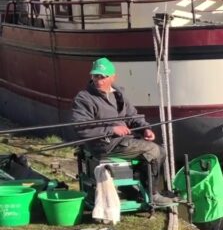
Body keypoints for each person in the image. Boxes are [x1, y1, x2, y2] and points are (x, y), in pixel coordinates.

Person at [70, 57, 174, 206]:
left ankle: (136, 187)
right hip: (104, 144)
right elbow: (81, 128)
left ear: (113, 77)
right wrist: (111, 129)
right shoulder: (84, 98)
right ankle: (153, 195)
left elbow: (132, 115)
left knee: (161, 151)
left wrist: (145, 128)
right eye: (95, 76)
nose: (98, 80)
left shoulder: (118, 93)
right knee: (153, 151)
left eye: (103, 77)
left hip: (122, 140)